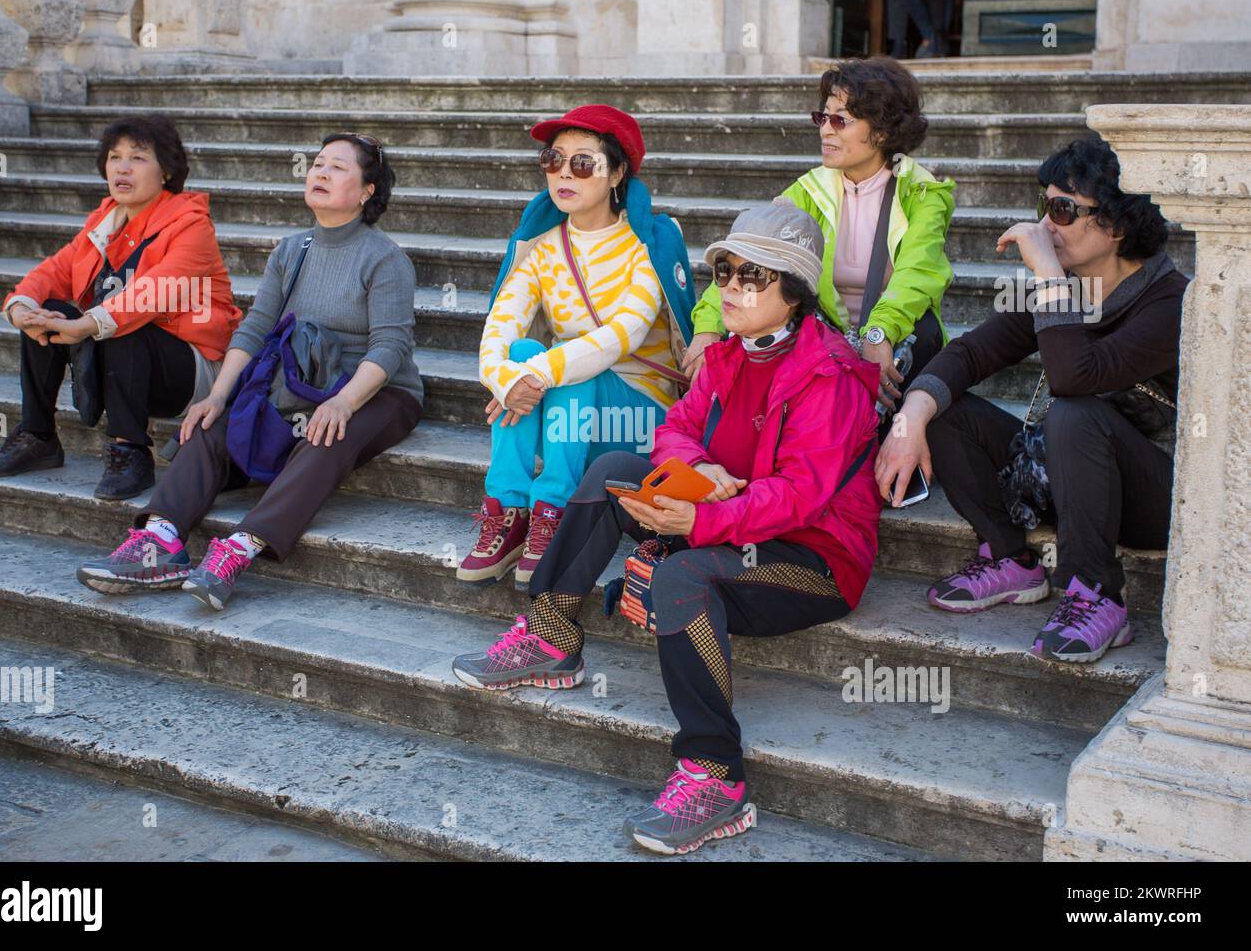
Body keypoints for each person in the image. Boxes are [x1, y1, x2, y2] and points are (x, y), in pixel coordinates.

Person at [452, 203, 883, 855]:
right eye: (725, 272)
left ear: (794, 294)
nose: (729, 289)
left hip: (814, 558)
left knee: (682, 573)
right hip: (728, 522)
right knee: (612, 470)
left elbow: (801, 496)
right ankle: (551, 635)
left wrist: (702, 518)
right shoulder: (727, 356)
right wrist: (697, 467)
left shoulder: (832, 375)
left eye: (751, 278)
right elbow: (674, 428)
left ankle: (716, 775)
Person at [75, 133, 424, 610]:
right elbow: (255, 328)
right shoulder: (292, 250)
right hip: (297, 378)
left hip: (377, 391)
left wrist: (343, 401)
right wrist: (218, 394)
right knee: (211, 420)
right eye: (318, 163)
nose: (319, 173)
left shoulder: (385, 259)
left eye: (338, 168)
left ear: (367, 190)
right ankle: (161, 540)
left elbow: (390, 346)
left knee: (328, 434)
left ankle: (239, 548)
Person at [877, 137, 1187, 663]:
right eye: (1044, 207)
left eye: (1063, 210)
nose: (1045, 225)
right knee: (942, 404)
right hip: (1065, 475)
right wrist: (911, 415)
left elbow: (1073, 378)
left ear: (1117, 225)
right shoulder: (1070, 282)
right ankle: (1010, 559)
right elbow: (973, 353)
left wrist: (1047, 274)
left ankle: (1096, 594)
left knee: (1075, 411)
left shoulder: (1170, 301)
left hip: (1154, 497)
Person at [457, 105, 697, 591]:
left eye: (583, 163)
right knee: (524, 350)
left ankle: (555, 511)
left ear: (617, 173)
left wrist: (535, 376)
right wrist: (506, 380)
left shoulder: (650, 240)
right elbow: (499, 326)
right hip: (571, 417)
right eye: (553, 159)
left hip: (638, 418)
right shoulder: (542, 246)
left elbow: (621, 337)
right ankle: (509, 511)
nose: (564, 173)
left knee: (566, 364)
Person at [0, 114, 241, 500]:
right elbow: (56, 270)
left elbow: (152, 293)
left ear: (166, 171)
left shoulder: (191, 225)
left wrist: (86, 326)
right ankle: (38, 436)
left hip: (193, 369)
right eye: (115, 157)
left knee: (124, 322)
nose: (123, 167)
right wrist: (21, 307)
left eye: (138, 157)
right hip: (121, 358)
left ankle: (130, 451)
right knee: (48, 310)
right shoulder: (105, 221)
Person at [685, 56, 954, 424]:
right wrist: (707, 329)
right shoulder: (808, 191)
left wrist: (879, 332)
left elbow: (919, 274)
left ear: (883, 132)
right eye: (822, 117)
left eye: (840, 120)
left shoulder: (922, 192)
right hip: (829, 338)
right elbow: (750, 257)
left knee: (921, 334)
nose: (825, 130)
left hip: (901, 338)